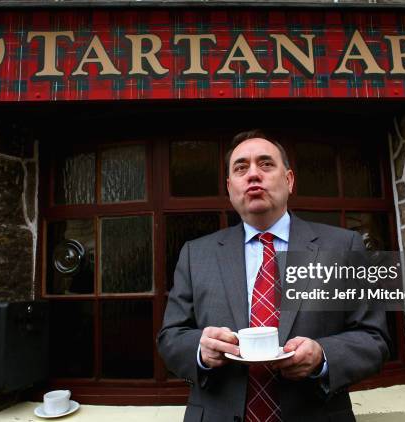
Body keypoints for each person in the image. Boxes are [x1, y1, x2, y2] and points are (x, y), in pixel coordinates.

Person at [157, 130, 389, 422]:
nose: (253, 174)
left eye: (266, 164)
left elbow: (375, 339)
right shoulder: (196, 254)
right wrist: (200, 352)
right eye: (241, 168)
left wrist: (322, 355)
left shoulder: (343, 247)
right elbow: (170, 338)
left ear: (289, 180)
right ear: (230, 188)